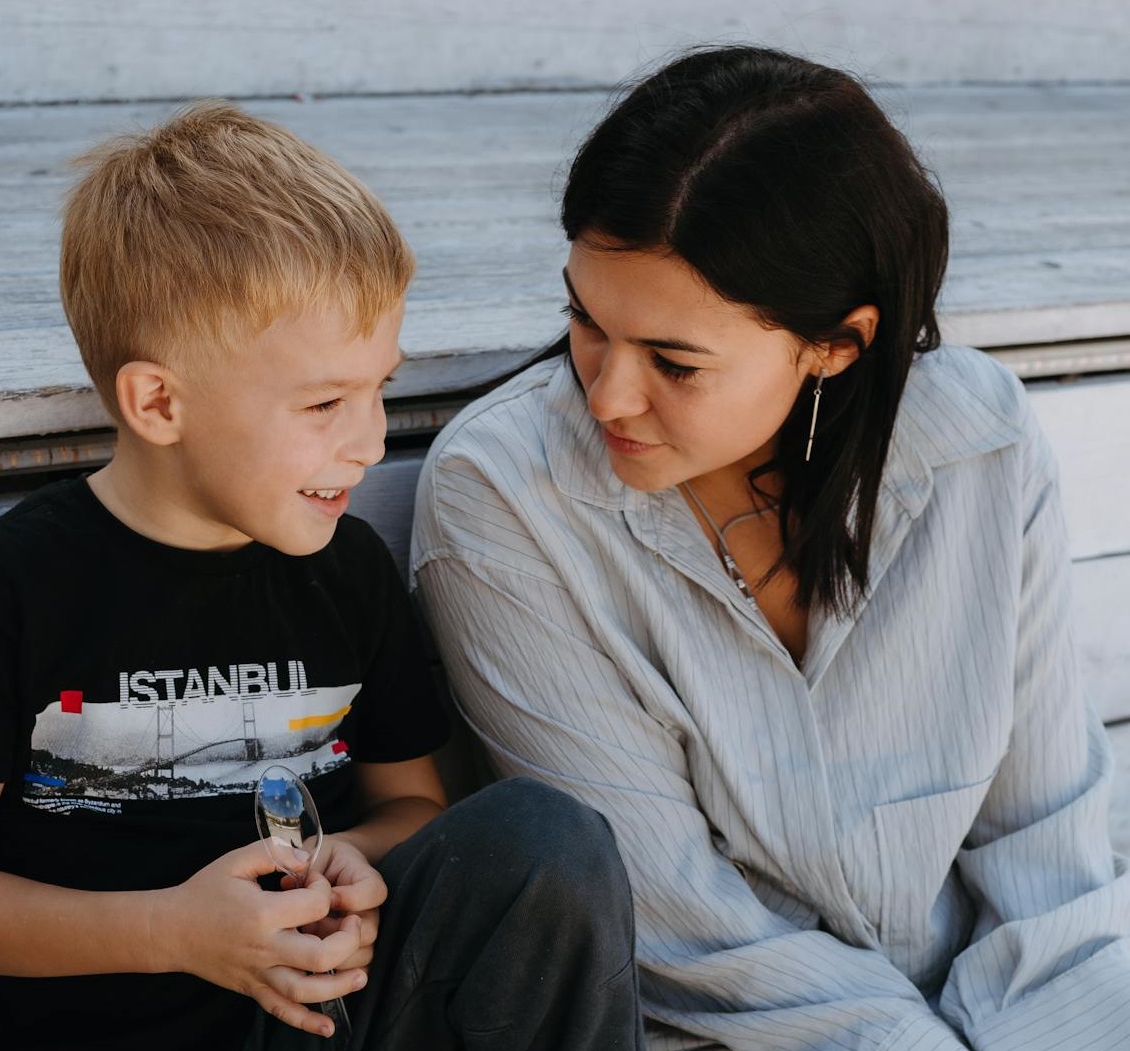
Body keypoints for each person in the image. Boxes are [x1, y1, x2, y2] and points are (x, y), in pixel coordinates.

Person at [0, 101, 644, 1051]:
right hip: (126, 1027)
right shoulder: (11, 592)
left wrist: (351, 859)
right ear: (159, 402)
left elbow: (413, 807)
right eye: (323, 401)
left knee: (545, 837)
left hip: (327, 1017)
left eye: (379, 391)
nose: (367, 442)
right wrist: (174, 930)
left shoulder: (344, 574)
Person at [412, 46, 1130, 1051]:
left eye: (673, 360)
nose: (606, 393)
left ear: (836, 344)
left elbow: (1045, 853)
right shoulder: (504, 500)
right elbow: (684, 931)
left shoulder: (978, 445)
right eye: (584, 318)